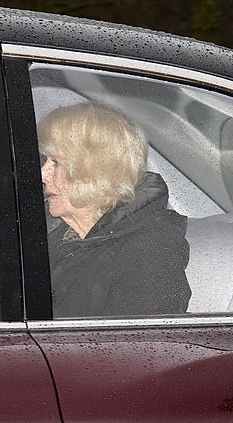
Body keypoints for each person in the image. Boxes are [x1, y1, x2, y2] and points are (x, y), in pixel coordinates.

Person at [38, 102, 191, 318]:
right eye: (45, 160)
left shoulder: (148, 251)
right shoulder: (57, 236)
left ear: (95, 171)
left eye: (55, 163)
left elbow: (137, 346)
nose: (42, 175)